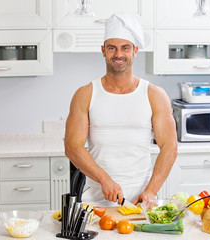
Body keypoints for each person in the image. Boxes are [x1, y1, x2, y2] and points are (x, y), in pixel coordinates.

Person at [64, 12, 177, 207]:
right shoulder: (85, 94)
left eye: (125, 48)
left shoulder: (154, 95)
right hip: (97, 200)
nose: (118, 54)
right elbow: (72, 147)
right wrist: (104, 179)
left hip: (141, 200)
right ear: (103, 50)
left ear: (135, 51)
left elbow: (170, 146)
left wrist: (151, 191)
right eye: (112, 48)